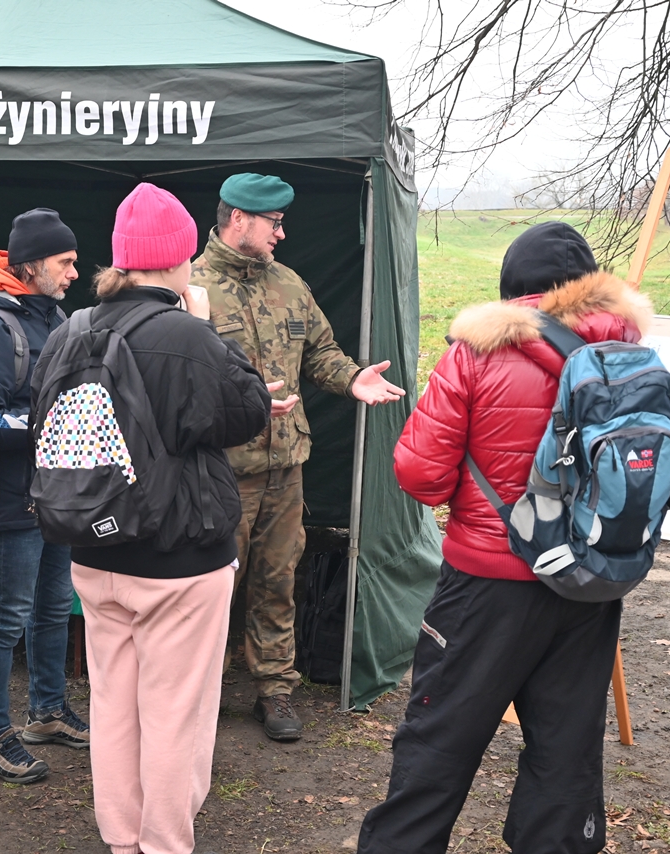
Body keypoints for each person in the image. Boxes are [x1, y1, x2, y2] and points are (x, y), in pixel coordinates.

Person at [357, 222, 654, 854]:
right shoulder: (629, 357)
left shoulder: (474, 354)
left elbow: (422, 476)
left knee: (439, 738)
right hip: (589, 584)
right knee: (566, 751)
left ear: (511, 286)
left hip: (487, 584)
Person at [35, 182, 270, 854]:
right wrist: (205, 326)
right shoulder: (186, 334)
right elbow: (247, 410)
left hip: (93, 550)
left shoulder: (71, 329)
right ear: (176, 259)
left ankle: (122, 838)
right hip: (179, 560)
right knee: (175, 715)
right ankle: (164, 844)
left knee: (114, 706)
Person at [189, 173, 405, 741]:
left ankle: (274, 688)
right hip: (221, 471)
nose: (281, 234)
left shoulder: (289, 284)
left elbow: (320, 353)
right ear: (239, 218)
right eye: (274, 223)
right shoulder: (191, 289)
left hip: (285, 467)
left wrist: (353, 379)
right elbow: (177, 383)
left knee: (279, 578)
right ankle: (199, 690)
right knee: (211, 587)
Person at [0, 209, 89, 783]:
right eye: (65, 262)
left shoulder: (55, 317)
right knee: (5, 616)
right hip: (11, 502)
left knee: (54, 608)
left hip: (57, 495)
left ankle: (47, 712)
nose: (75, 273)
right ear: (31, 265)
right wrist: (55, 425)